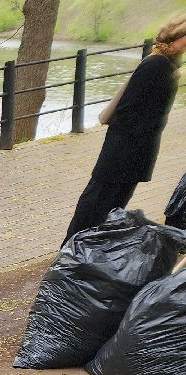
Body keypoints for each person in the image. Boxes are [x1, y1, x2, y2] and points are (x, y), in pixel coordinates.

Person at [65, 18, 186, 244]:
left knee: (114, 204)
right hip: (124, 149)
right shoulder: (155, 64)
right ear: (175, 38)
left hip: (137, 148)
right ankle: (73, 247)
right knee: (99, 201)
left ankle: (90, 248)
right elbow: (126, 109)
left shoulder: (168, 64)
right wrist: (138, 137)